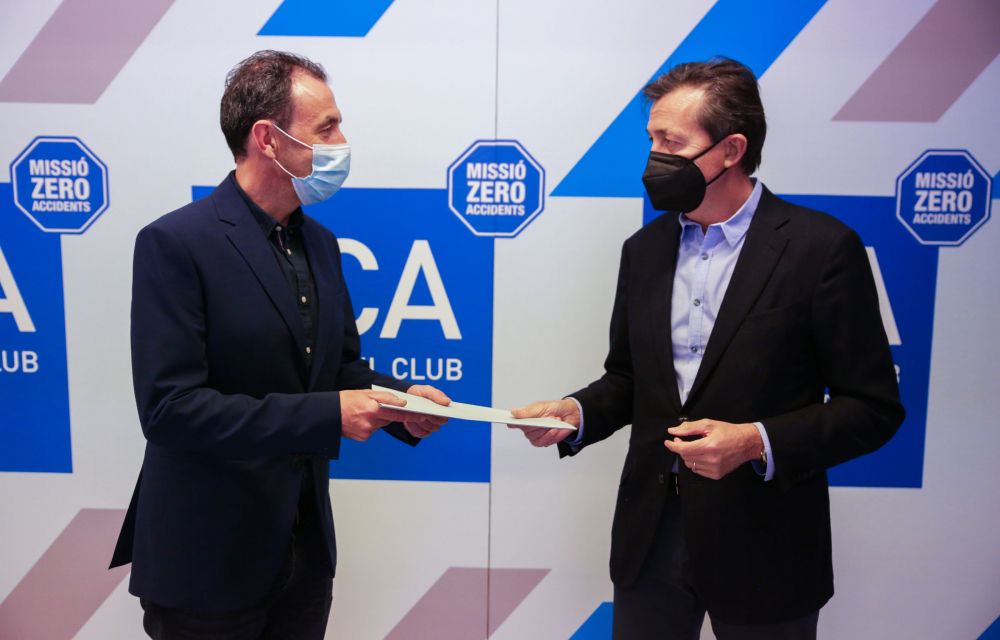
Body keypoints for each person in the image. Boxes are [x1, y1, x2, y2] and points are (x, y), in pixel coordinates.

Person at [510, 58, 904, 639]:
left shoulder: (821, 249)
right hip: (651, 536)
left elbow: (872, 408)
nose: (654, 158)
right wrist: (576, 412)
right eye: (652, 140)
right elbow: (630, 379)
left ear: (731, 149)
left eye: (672, 142)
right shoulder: (644, 250)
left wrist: (755, 442)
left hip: (767, 541)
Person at [109, 50, 451, 640]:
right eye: (327, 128)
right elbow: (170, 410)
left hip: (302, 558)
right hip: (207, 563)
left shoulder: (321, 244)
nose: (343, 143)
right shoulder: (176, 243)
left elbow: (339, 370)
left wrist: (401, 403)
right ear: (268, 139)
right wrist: (329, 415)